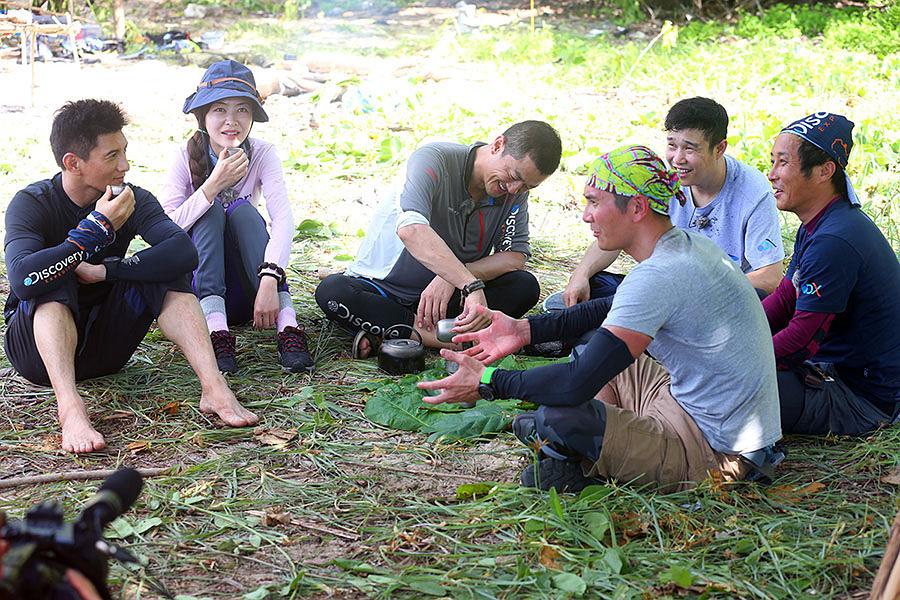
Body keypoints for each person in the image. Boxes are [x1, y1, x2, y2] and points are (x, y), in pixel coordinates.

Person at [418, 145, 782, 492]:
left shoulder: (661, 274)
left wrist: (487, 380)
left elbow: (576, 383)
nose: (585, 215)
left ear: (637, 208)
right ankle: (590, 441)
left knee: (559, 414)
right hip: (691, 404)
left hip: (720, 453)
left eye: (594, 202)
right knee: (593, 356)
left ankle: (574, 450)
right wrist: (522, 329)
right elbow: (606, 309)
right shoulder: (683, 247)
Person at [3, 99, 258, 454]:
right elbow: (21, 280)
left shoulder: (132, 198)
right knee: (54, 276)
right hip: (37, 355)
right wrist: (94, 231)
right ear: (72, 163)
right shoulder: (32, 203)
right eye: (111, 156)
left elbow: (184, 253)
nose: (125, 164)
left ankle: (215, 388)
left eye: (124, 151)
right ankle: (70, 409)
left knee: (163, 269)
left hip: (106, 349)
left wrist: (109, 270)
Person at [315, 120, 562, 356]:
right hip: (385, 291)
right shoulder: (433, 158)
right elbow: (411, 229)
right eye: (513, 175)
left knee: (524, 286)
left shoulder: (513, 192)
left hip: (448, 300)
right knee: (333, 292)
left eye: (528, 186)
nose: (514, 190)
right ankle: (451, 341)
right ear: (498, 145)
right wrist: (468, 283)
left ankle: (392, 333)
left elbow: (514, 256)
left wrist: (457, 276)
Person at [546, 97, 783, 317]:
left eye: (690, 149)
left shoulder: (752, 191)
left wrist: (697, 292)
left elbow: (769, 278)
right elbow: (620, 230)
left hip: (714, 301)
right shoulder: (661, 179)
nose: (677, 159)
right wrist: (581, 273)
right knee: (581, 293)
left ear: (720, 148)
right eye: (672, 145)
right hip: (663, 287)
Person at [160, 59, 313, 374]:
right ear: (202, 117)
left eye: (242, 110)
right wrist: (212, 186)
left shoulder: (262, 154)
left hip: (253, 291)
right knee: (210, 209)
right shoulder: (183, 157)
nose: (231, 121)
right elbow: (166, 231)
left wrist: (270, 278)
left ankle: (288, 327)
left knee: (243, 211)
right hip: (199, 292)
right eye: (219, 110)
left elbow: (283, 220)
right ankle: (217, 334)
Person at [764, 111, 900, 435]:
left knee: (736, 388)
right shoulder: (823, 223)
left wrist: (733, 358)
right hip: (833, 369)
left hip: (864, 399)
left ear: (825, 170)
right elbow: (785, 298)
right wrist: (729, 334)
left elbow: (801, 342)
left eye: (783, 163)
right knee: (750, 306)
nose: (771, 174)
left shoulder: (834, 240)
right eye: (772, 161)